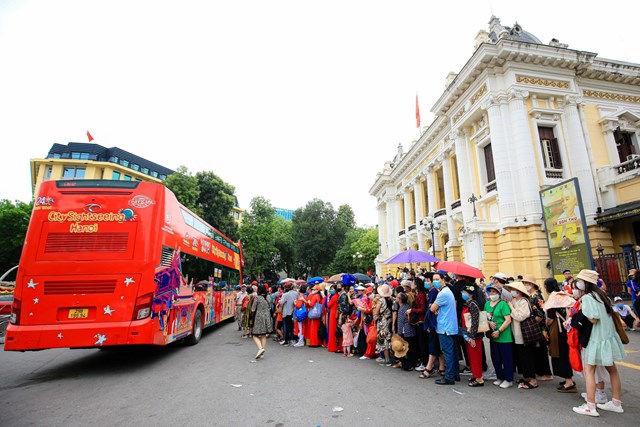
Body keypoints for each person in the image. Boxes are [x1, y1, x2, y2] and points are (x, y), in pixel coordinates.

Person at [572, 269, 626, 417]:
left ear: (584, 283)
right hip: (608, 337)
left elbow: (593, 319)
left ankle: (590, 406)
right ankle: (616, 403)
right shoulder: (601, 295)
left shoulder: (588, 298)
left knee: (589, 370)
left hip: (597, 338)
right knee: (612, 370)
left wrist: (582, 312)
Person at [543, 278, 577, 393]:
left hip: (557, 330)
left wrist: (545, 324)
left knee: (560, 355)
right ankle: (568, 379)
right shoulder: (563, 295)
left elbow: (550, 318)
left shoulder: (553, 298)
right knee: (565, 354)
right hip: (565, 328)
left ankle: (569, 382)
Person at [505, 281, 538, 390]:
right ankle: (526, 377)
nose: (512, 292)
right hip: (516, 334)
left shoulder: (524, 301)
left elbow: (520, 316)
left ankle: (533, 380)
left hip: (524, 334)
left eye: (514, 290)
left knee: (527, 357)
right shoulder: (514, 300)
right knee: (521, 357)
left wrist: (510, 307)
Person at [522, 274, 554, 381]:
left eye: (526, 283)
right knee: (536, 350)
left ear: (531, 285)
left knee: (541, 351)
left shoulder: (537, 296)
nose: (524, 285)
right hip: (535, 327)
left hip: (539, 328)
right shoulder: (530, 296)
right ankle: (540, 371)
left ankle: (546, 373)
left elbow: (541, 313)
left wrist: (532, 324)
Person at [431, 275, 460, 385]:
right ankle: (455, 374)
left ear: (443, 280)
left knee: (448, 352)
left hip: (445, 327)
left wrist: (435, 309)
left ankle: (449, 377)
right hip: (450, 326)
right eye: (434, 279)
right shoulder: (447, 291)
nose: (435, 281)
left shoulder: (442, 293)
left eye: (437, 279)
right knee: (452, 352)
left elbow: (433, 308)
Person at [485, 283, 514, 389]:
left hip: (504, 335)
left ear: (499, 293)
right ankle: (499, 377)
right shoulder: (487, 304)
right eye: (491, 291)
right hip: (492, 335)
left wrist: (499, 330)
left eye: (494, 292)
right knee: (495, 358)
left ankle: (509, 379)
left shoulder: (503, 304)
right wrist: (489, 323)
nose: (492, 293)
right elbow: (485, 317)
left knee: (506, 358)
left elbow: (508, 320)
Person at [420, 273, 445, 379]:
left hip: (434, 323)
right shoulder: (431, 292)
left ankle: (429, 368)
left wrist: (429, 324)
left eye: (428, 280)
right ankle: (442, 367)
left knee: (433, 345)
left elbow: (432, 310)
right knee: (437, 345)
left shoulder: (434, 292)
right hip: (433, 322)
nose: (426, 282)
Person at [460, 285, 484, 387]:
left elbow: (475, 321)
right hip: (468, 334)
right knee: (471, 356)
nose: (462, 294)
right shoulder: (468, 304)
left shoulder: (473, 304)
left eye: (464, 293)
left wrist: (473, 337)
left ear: (470, 294)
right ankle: (475, 375)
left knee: (475, 357)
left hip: (474, 335)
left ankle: (479, 379)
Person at [407, 277, 428, 371]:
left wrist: (412, 310)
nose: (412, 284)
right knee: (420, 342)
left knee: (422, 343)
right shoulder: (417, 294)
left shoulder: (421, 295)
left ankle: (425, 362)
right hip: (418, 321)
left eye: (413, 283)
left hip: (421, 321)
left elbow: (422, 309)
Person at [251, 285, 273, 359]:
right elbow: (270, 307)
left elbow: (253, 309)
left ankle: (260, 349)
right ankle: (262, 353)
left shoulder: (257, 298)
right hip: (267, 317)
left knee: (254, 335)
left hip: (259, 318)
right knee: (263, 335)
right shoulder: (268, 297)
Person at [396, 292, 417, 370]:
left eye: (397, 297)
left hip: (406, 331)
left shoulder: (402, 309)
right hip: (411, 330)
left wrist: (399, 333)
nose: (396, 298)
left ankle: (407, 365)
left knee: (406, 350)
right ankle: (412, 363)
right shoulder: (407, 306)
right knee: (411, 349)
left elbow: (400, 322)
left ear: (400, 300)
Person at [374, 283, 393, 366]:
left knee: (384, 339)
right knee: (389, 339)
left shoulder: (381, 300)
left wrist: (375, 317)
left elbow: (376, 312)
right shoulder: (391, 300)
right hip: (390, 320)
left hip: (383, 321)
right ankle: (389, 357)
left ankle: (387, 359)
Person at [326, 284, 341, 353]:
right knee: (335, 329)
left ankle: (332, 346)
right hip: (335, 312)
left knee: (332, 330)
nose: (331, 290)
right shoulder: (338, 296)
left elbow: (328, 305)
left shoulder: (334, 297)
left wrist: (328, 298)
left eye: (332, 289)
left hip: (333, 312)